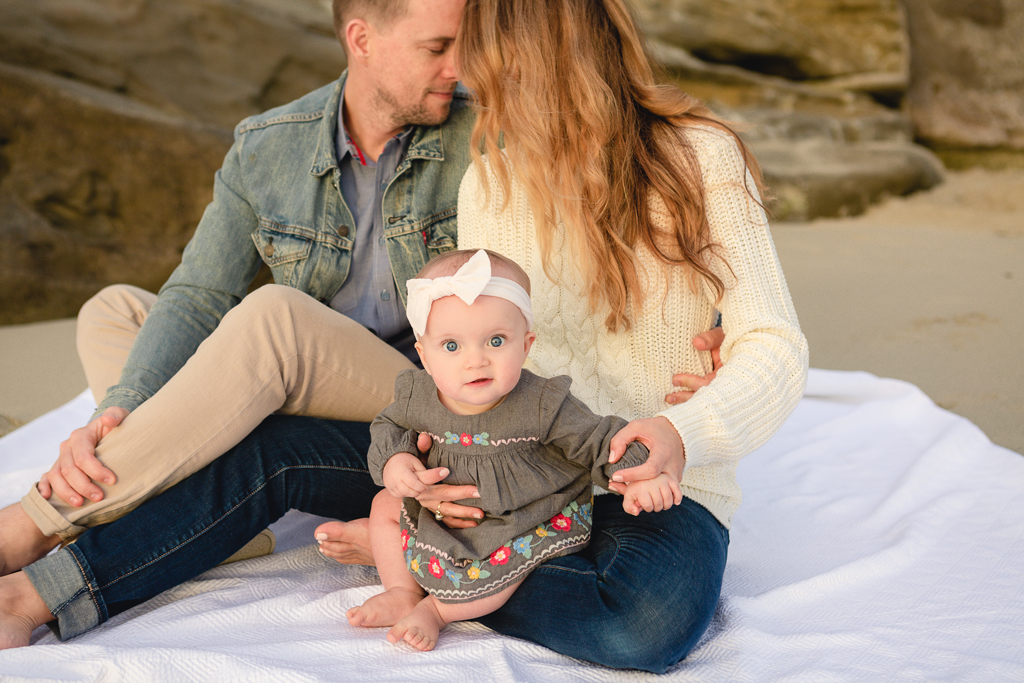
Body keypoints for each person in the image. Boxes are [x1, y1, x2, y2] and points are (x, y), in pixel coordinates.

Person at [0, 0, 805, 672]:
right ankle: (33, 592)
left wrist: (685, 425)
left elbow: (774, 342)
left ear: (539, 57)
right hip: (497, 464)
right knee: (271, 448)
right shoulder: (493, 177)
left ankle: (427, 562)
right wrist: (424, 459)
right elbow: (485, 345)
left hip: (645, 476)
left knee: (644, 626)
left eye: (483, 56)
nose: (470, 80)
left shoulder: (702, 159)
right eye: (455, 54)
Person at [351, 249, 679, 651]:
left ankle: (438, 611)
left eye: (495, 340)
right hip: (441, 506)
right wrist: (397, 460)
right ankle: (402, 590)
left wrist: (639, 477)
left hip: (521, 515)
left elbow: (599, 440)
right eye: (451, 346)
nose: (476, 360)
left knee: (503, 573)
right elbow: (389, 425)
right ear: (424, 354)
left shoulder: (542, 403)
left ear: (526, 346)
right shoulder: (416, 393)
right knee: (385, 505)